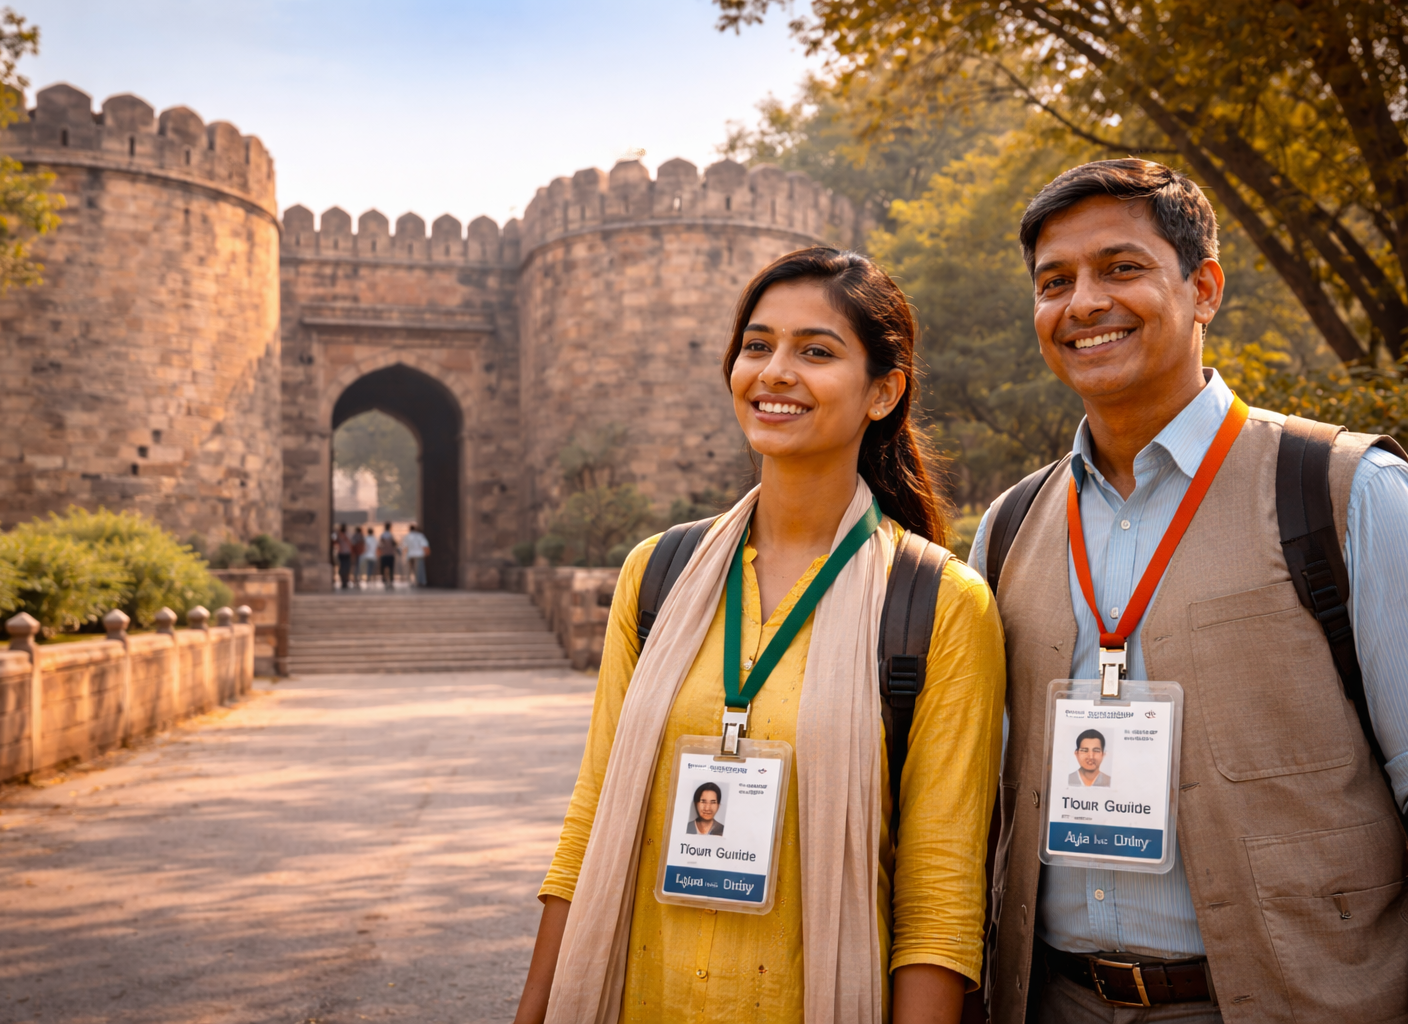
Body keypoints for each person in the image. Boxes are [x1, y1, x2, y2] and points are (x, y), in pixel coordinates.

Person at [513, 248, 1006, 1024]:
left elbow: (938, 893)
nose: (775, 371)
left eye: (816, 351)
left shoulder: (937, 603)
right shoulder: (659, 575)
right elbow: (592, 817)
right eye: (757, 345)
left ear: (884, 391)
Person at [970, 159, 1408, 1023]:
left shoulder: (1344, 495)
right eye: (1053, 283)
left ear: (1203, 288)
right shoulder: (1008, 528)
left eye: (1121, 268)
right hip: (1058, 999)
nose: (1083, 302)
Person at [404, 523, 430, 587]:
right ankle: (420, 582)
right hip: (419, 555)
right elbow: (425, 546)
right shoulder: (420, 536)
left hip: (410, 555)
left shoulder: (407, 536)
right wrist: (427, 553)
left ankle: (411, 582)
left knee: (411, 570)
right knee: (419, 569)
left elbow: (405, 547)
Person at [378, 522, 398, 590]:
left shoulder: (382, 535)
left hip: (384, 554)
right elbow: (394, 544)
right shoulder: (391, 535)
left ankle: (385, 580)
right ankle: (391, 581)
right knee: (391, 568)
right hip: (390, 554)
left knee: (383, 568)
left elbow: (380, 545)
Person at [332, 524, 352, 589]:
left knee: (346, 568)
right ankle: (343, 581)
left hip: (346, 553)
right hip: (342, 553)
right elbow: (335, 542)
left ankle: (345, 581)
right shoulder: (339, 535)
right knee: (343, 568)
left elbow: (350, 543)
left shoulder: (346, 535)